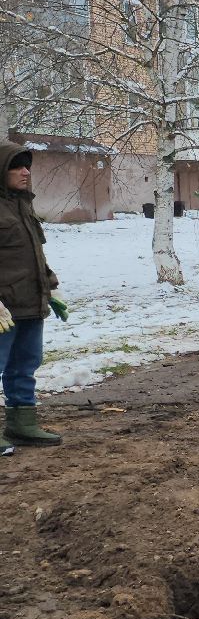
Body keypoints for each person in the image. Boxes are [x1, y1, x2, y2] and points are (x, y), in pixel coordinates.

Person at [0, 142, 64, 447]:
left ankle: (21, 425)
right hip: (2, 309)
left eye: (28, 166)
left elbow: (32, 251)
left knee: (25, 366)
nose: (26, 172)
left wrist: (47, 286)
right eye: (18, 166)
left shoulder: (23, 204)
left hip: (29, 302)